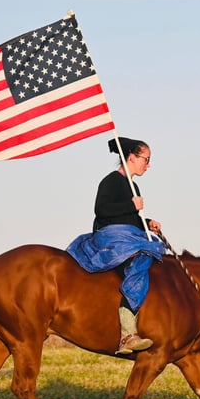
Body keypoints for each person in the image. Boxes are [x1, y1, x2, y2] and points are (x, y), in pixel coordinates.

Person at [67, 137, 167, 354]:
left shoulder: (134, 185)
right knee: (144, 254)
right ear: (131, 157)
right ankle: (127, 332)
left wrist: (147, 223)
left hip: (128, 233)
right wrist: (130, 204)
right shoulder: (110, 181)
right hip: (110, 237)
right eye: (146, 159)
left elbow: (130, 219)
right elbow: (101, 210)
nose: (148, 165)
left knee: (156, 253)